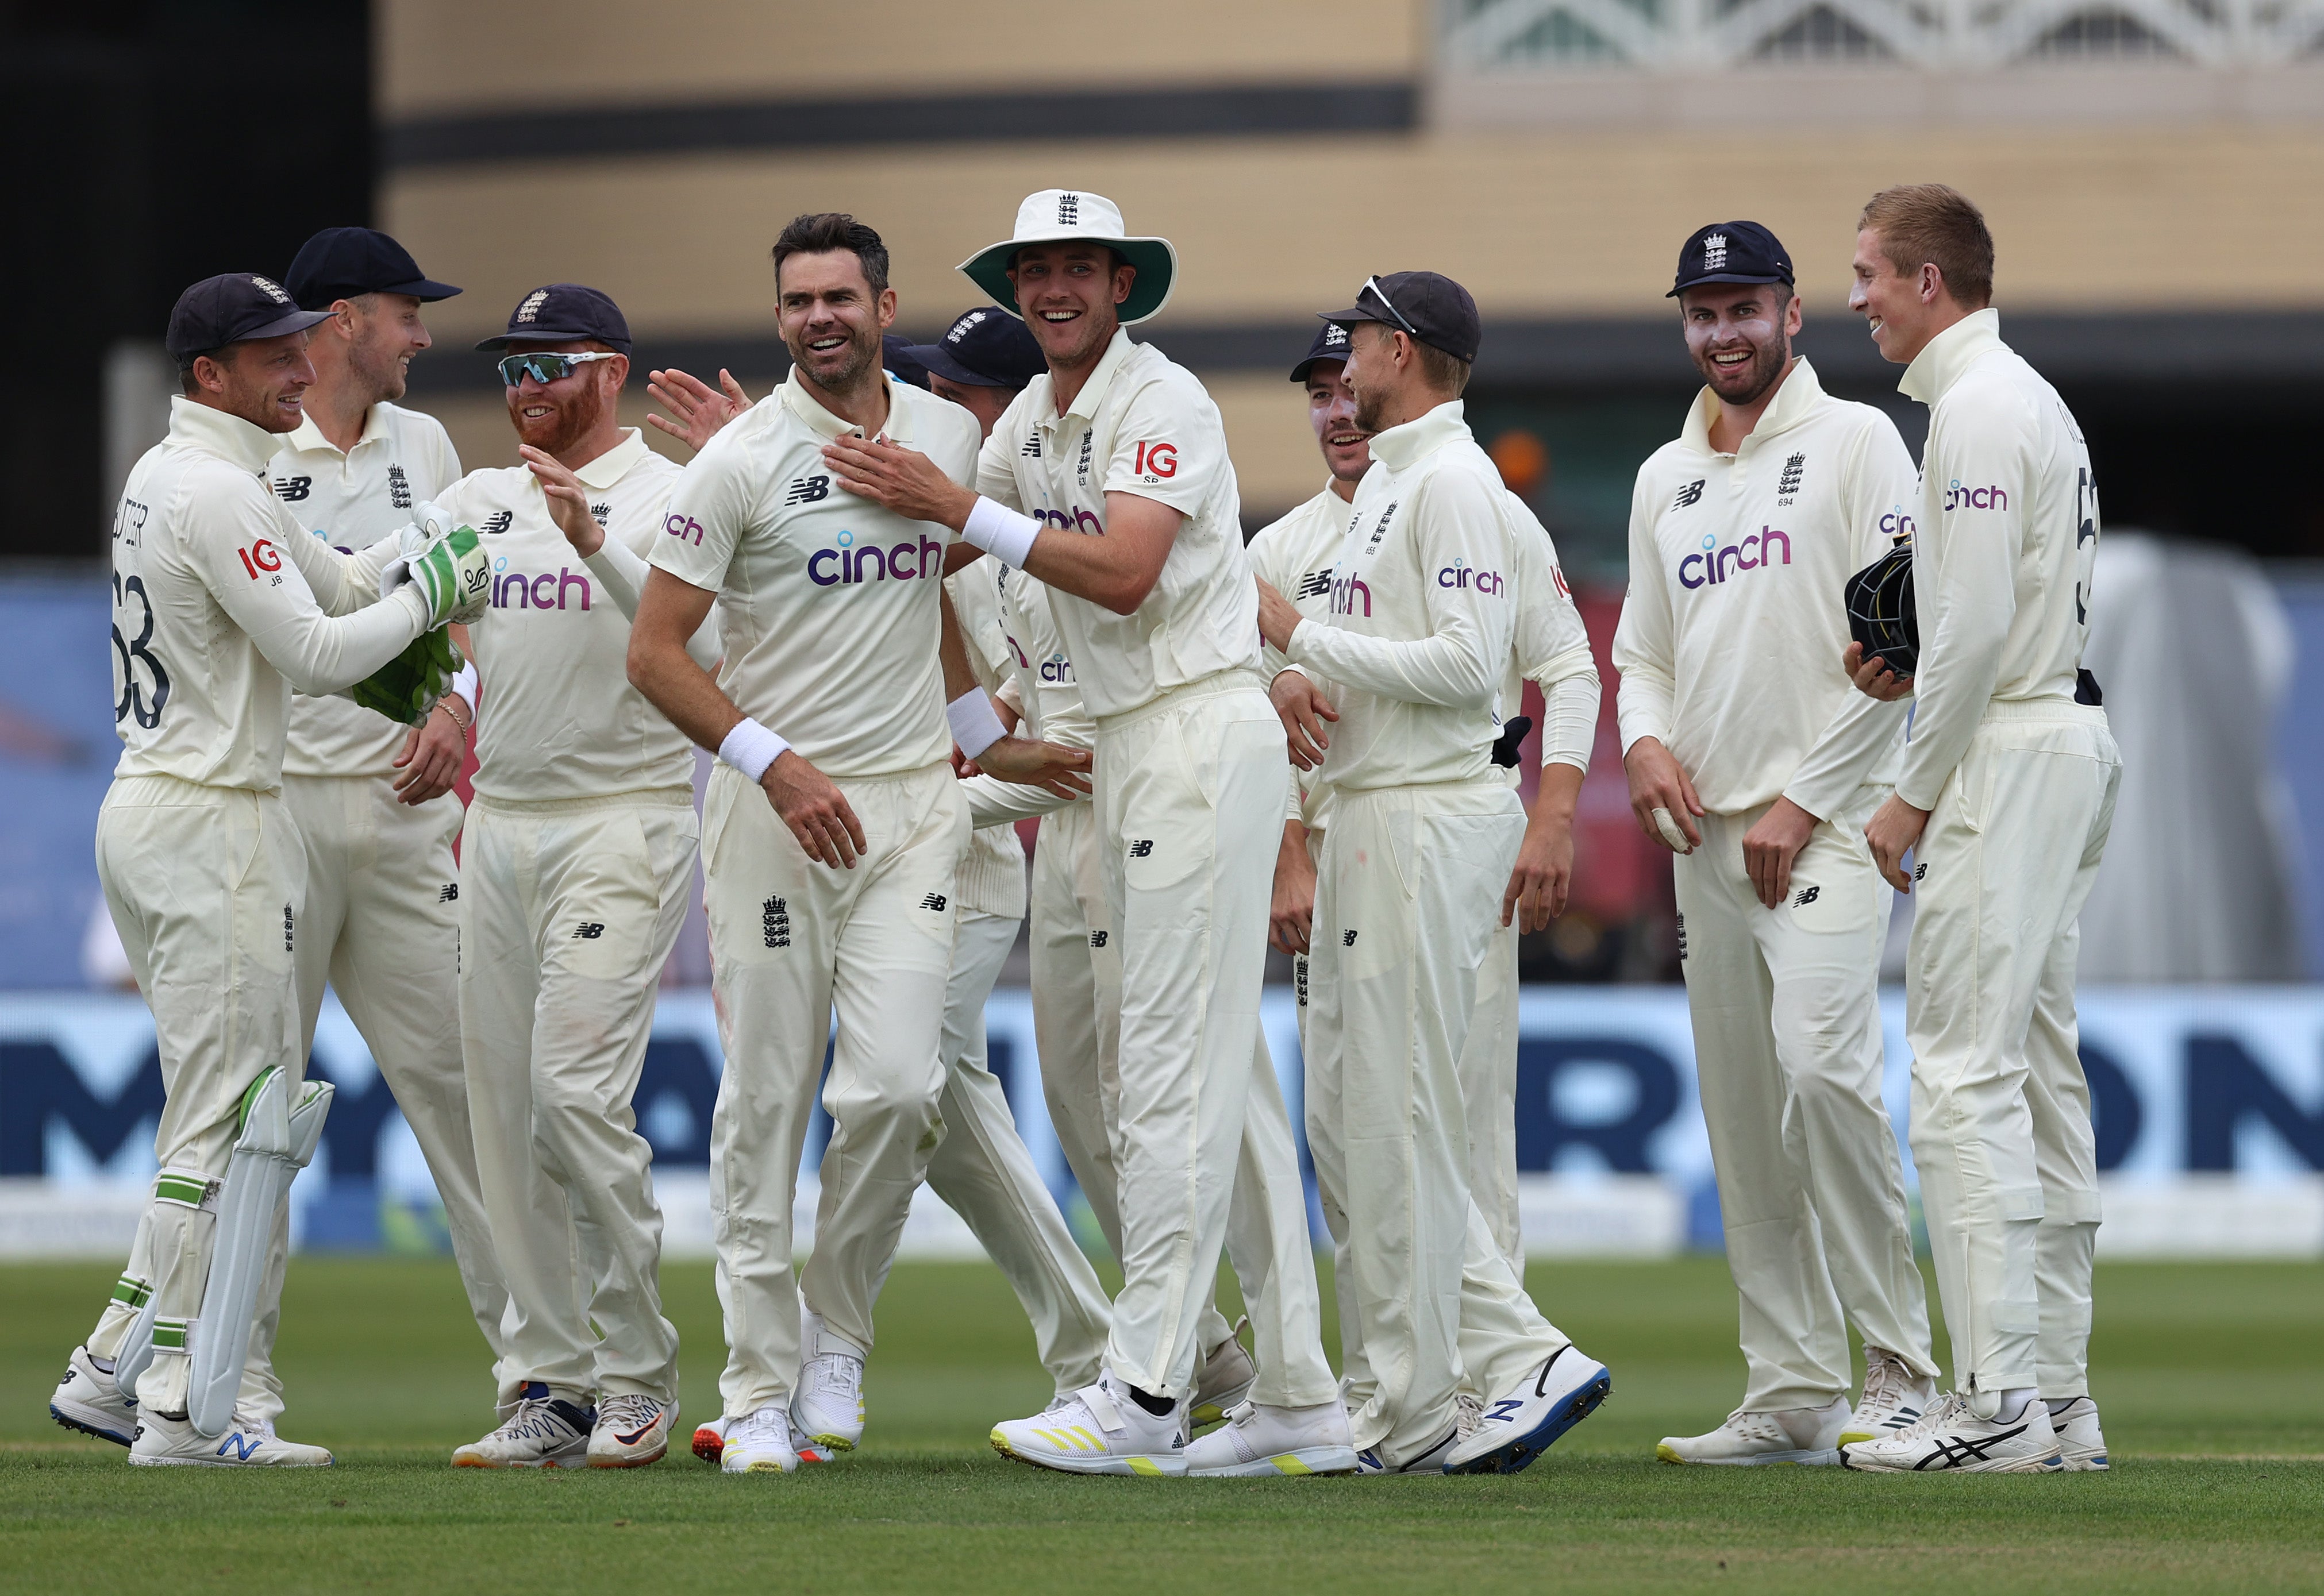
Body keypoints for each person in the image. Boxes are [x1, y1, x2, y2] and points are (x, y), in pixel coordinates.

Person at [824, 190, 1348, 1478]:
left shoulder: (1159, 401)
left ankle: (1146, 1394)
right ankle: (1298, 1394)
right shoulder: (1038, 426)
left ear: (1123, 285)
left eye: (1079, 269)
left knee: (1164, 1081)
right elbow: (943, 557)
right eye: (1035, 270)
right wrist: (973, 715)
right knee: (1215, 1093)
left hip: (1188, 732)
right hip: (1125, 751)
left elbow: (1120, 568)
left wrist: (955, 503)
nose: (1054, 288)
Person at [626, 213, 1087, 1477]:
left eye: (841, 296)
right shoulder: (738, 462)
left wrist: (977, 741)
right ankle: (760, 1392)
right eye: (797, 301)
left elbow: (933, 598)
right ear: (779, 319)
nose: (819, 317)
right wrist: (772, 763)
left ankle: (834, 1332)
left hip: (909, 813)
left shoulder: (948, 439)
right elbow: (655, 653)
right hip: (778, 814)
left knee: (895, 1089)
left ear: (885, 309)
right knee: (768, 1102)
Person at [51, 272, 484, 1467]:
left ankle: (110, 1369)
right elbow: (320, 648)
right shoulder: (214, 494)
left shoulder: (176, 473)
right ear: (211, 377)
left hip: (157, 813)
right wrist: (437, 599)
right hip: (218, 823)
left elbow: (339, 577)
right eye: (274, 357)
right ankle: (192, 1407)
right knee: (239, 1121)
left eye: (301, 348)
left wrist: (440, 539)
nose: (301, 371)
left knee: (228, 1109)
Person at [1257, 272, 1608, 1475]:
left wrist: (1292, 635)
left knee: (1404, 1112)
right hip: (1372, 809)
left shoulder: (1456, 485)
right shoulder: (1392, 490)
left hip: (1422, 814)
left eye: (1353, 339)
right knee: (1365, 1123)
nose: (1340, 363)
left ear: (1399, 351)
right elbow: (1390, 654)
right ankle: (1409, 1412)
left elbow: (1471, 671)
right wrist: (1300, 678)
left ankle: (1519, 1361)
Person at [1607, 221, 1940, 1468]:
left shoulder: (1858, 442)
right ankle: (1795, 1386)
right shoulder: (1662, 477)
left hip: (1831, 827)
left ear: (1793, 315)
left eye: (1745, 307)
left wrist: (1805, 802)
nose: (1724, 332)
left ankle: (1902, 1369)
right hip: (1708, 836)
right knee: (1744, 1114)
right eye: (1703, 312)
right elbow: (1643, 652)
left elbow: (1902, 646)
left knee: (1823, 1072)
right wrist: (1643, 745)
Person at [1837, 185, 2118, 1475]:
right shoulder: (2026, 397)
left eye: (1872, 276)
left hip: (2009, 747)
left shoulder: (1978, 408)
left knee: (1958, 1079)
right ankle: (2057, 1398)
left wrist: (1912, 788)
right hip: (2062, 731)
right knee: (2038, 1073)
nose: (1859, 299)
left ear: (1930, 283)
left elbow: (1972, 628)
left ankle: (1996, 1405)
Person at [425, 284, 709, 1470]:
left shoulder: (675, 494)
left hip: (623, 818)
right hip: (500, 828)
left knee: (573, 1097)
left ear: (614, 372)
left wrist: (596, 540)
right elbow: (407, 613)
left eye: (551, 366)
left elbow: (687, 644)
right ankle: (549, 1386)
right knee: (501, 1112)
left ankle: (639, 1373)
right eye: (511, 371)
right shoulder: (479, 501)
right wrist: (443, 696)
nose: (527, 390)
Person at [271, 228, 513, 1422]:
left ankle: (540, 1379)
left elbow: (470, 606)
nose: (423, 335)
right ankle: (225, 1394)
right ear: (341, 323)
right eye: (406, 313)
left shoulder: (423, 442)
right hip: (270, 818)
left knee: (471, 1094)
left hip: (407, 810)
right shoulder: (247, 445)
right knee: (256, 1108)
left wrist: (460, 708)